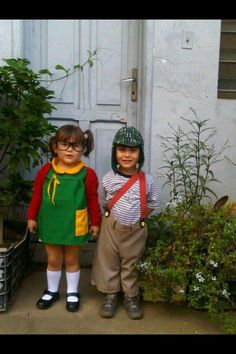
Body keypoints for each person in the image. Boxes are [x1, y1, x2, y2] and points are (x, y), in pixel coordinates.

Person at [27, 124, 101, 312]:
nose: (70, 149)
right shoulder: (46, 171)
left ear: (83, 149)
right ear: (55, 147)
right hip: (51, 222)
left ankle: (72, 292)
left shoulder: (88, 174)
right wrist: (31, 217)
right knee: (53, 260)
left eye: (76, 146)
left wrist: (95, 222)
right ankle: (52, 291)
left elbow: (93, 199)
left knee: (71, 260)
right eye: (65, 144)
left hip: (75, 224)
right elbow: (36, 195)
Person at [91, 126, 159, 320]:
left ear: (140, 154)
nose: (127, 155)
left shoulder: (149, 181)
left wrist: (138, 217)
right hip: (110, 227)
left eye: (133, 150)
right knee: (108, 261)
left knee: (131, 263)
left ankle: (130, 297)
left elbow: (153, 202)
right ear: (115, 152)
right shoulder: (108, 179)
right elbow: (102, 201)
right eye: (122, 150)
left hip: (136, 230)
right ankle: (110, 295)